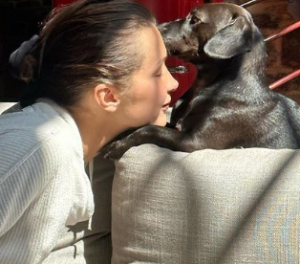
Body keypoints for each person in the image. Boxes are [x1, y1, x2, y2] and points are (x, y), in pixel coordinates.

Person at [0, 0, 178, 263]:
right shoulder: (38, 146)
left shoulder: (70, 144)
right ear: (107, 96)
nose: (173, 83)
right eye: (157, 72)